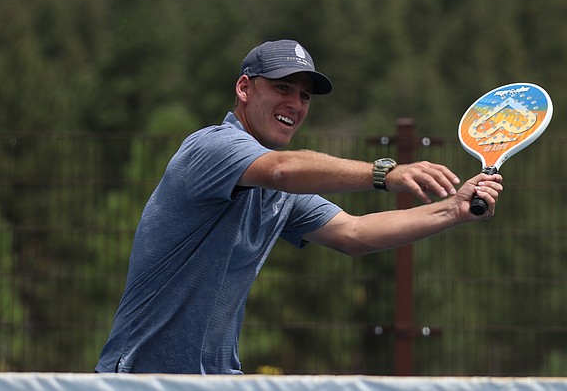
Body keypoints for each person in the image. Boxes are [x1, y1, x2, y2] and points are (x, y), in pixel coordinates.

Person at [95, 39, 503, 375]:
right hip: (139, 377)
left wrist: (453, 210)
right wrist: (386, 173)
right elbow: (282, 169)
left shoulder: (280, 188)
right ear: (244, 89)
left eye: (304, 95)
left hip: (218, 381)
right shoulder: (211, 148)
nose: (296, 103)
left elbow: (354, 234)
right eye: (282, 88)